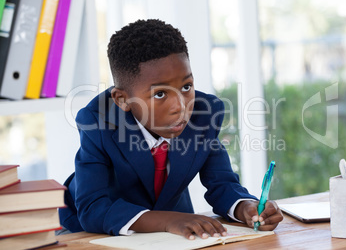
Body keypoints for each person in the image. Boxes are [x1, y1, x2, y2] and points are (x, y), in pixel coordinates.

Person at [59, 19, 283, 239]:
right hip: (93, 231)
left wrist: (246, 207)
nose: (181, 106)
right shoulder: (97, 121)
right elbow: (94, 208)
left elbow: (222, 183)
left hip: (174, 231)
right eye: (160, 94)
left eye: (186, 87)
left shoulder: (204, 115)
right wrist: (169, 221)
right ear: (122, 99)